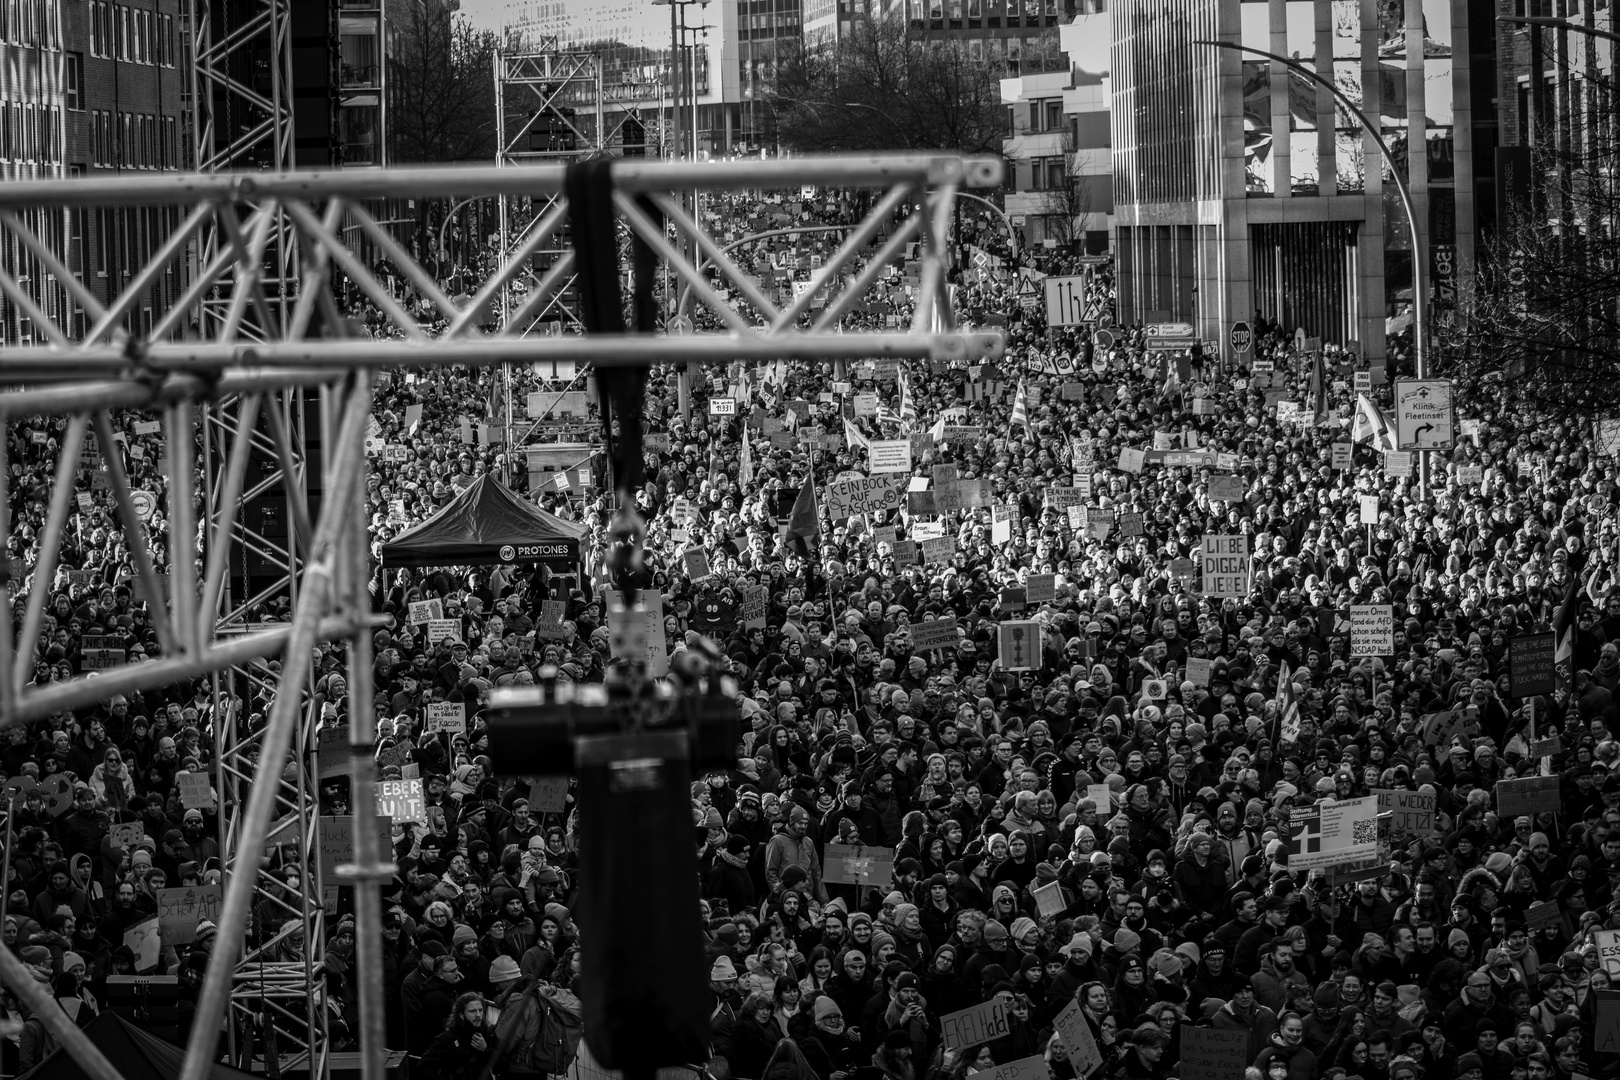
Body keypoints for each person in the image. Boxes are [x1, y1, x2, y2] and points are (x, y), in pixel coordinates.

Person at [419, 991, 493, 1080]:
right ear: (461, 1015)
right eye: (472, 1011)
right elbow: (424, 1066)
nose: (478, 1015)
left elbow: (502, 1065)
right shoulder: (447, 1039)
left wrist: (486, 1050)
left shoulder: (487, 1034)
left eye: (480, 1010)